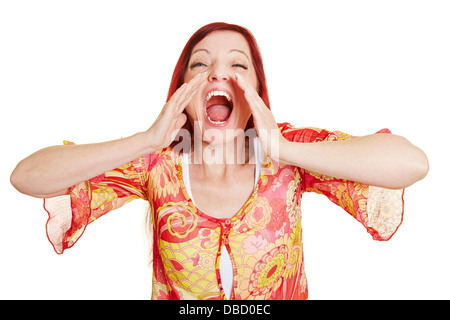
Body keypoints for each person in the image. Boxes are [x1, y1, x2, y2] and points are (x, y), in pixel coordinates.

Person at [10, 22, 429, 300]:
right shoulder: (156, 163)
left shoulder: (290, 152)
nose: (217, 73)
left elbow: (411, 163)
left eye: (237, 64)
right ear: (183, 91)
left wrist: (285, 149)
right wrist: (145, 139)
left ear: (257, 91)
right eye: (201, 64)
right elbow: (26, 176)